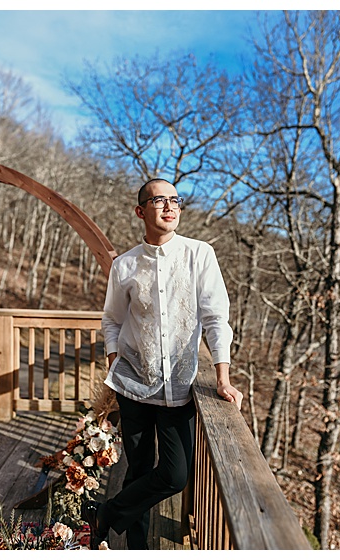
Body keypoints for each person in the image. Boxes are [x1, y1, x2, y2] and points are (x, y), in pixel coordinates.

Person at [82, 178, 242, 549]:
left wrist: (223, 377)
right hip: (132, 385)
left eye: (175, 199)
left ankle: (106, 514)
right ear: (141, 211)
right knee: (137, 470)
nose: (170, 206)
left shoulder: (199, 254)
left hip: (180, 387)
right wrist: (112, 361)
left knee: (175, 475)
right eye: (159, 200)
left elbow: (216, 317)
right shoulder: (125, 265)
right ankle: (138, 547)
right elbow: (112, 320)